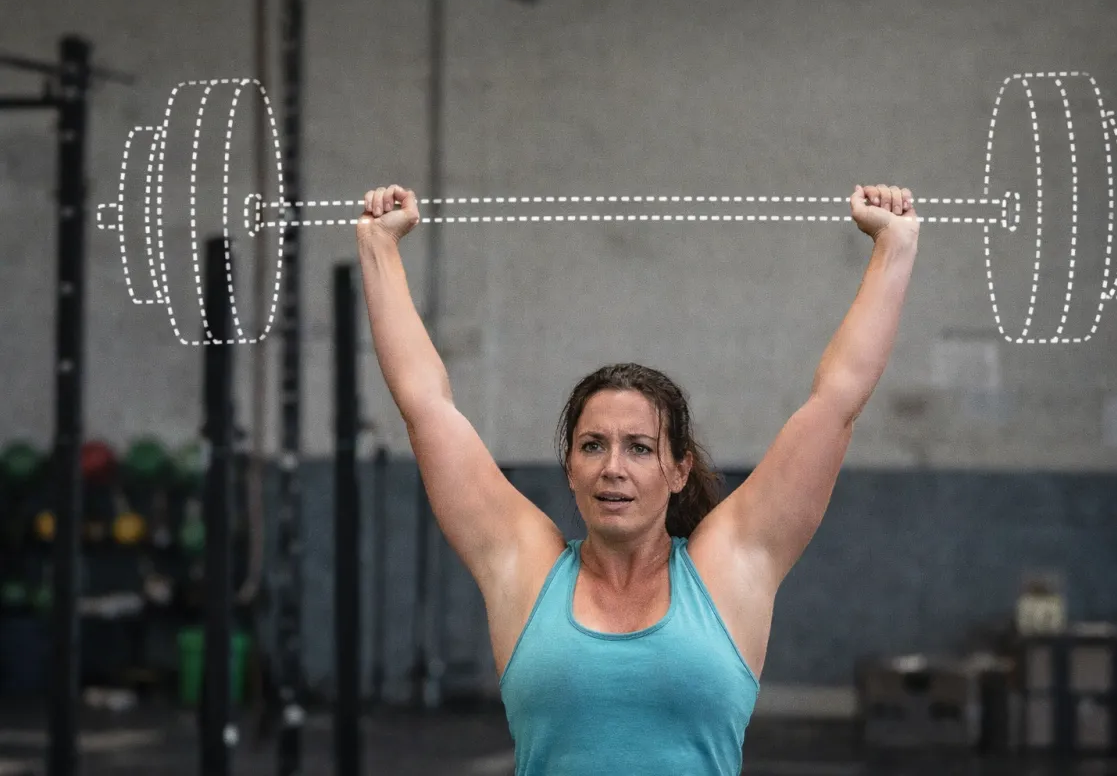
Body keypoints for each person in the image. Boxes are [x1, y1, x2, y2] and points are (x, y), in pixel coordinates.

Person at [356, 182, 919, 775]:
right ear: (570, 468)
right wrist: (378, 248)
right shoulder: (522, 569)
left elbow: (836, 402)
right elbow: (427, 407)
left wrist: (894, 246)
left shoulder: (730, 569)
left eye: (640, 448)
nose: (613, 468)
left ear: (679, 470)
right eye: (592, 446)